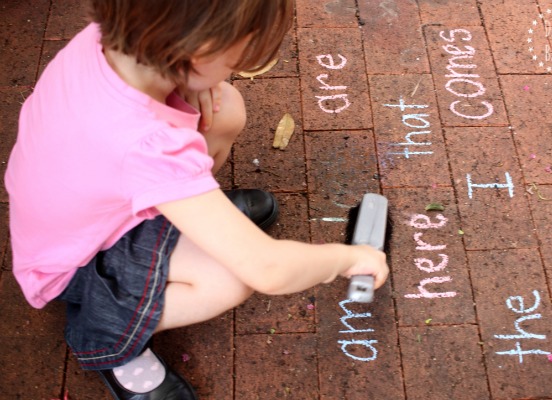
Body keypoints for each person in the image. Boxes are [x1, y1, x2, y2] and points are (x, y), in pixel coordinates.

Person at [5, 0, 389, 399]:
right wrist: (350, 259)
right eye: (238, 55)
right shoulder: (146, 144)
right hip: (75, 261)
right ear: (196, 51)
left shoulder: (112, 37)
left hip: (84, 200)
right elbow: (269, 270)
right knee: (230, 278)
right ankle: (105, 334)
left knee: (225, 107)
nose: (240, 67)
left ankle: (195, 209)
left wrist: (189, 83)